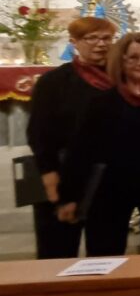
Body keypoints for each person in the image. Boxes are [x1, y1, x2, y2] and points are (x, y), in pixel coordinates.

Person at [58, 33, 140, 256]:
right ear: (120, 62)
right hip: (113, 187)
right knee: (105, 251)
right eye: (133, 58)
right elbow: (81, 150)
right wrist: (70, 196)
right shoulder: (102, 103)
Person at [27, 17, 116, 259]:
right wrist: (50, 175)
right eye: (92, 38)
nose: (101, 44)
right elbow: (39, 133)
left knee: (106, 254)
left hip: (107, 180)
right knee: (57, 254)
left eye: (106, 38)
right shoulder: (54, 81)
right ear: (74, 42)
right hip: (62, 175)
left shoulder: (120, 79)